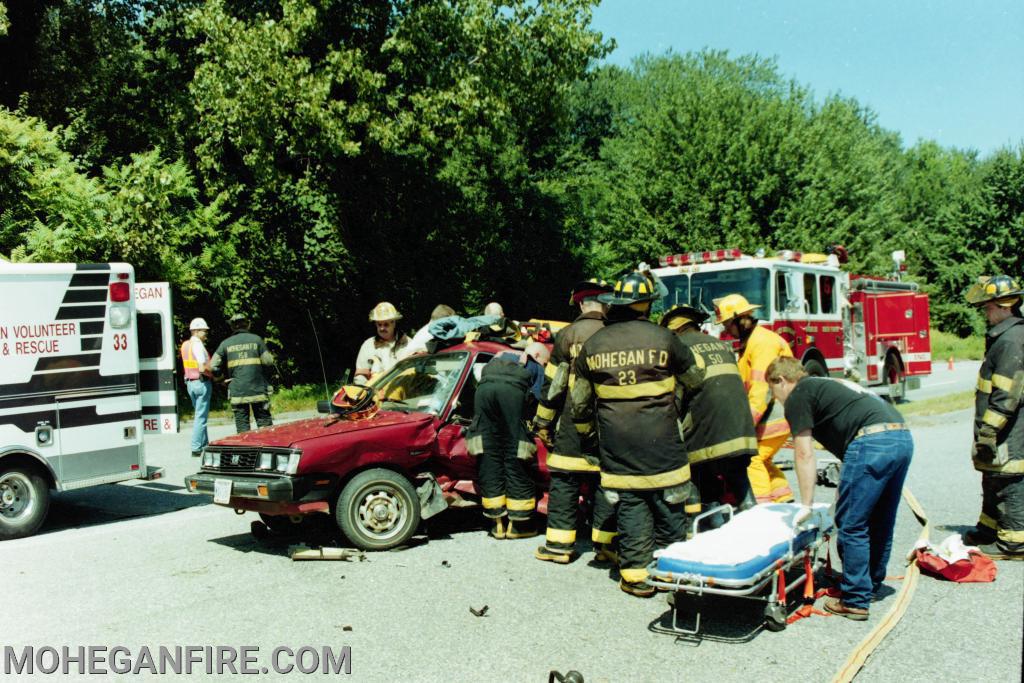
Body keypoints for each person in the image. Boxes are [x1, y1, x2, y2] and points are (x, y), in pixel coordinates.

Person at [571, 272, 702, 597]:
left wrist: (589, 437)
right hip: (664, 446)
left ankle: (636, 577)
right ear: (647, 304)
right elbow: (696, 379)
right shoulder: (665, 338)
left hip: (618, 447)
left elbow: (580, 403)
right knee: (670, 507)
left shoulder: (595, 344)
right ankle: (675, 576)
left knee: (631, 507)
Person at [767, 356, 914, 620]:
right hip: (901, 435)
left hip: (870, 440)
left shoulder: (798, 395)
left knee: (852, 524)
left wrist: (807, 505)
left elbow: (803, 453)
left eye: (773, 390)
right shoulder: (826, 383)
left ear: (781, 380)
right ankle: (869, 585)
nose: (775, 397)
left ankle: (855, 599)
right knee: (880, 518)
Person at [533, 279, 619, 564]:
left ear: (581, 304)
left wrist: (543, 422)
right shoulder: (615, 333)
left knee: (565, 481)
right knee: (606, 482)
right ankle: (606, 546)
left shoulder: (567, 335)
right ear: (605, 303)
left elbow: (554, 386)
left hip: (571, 424)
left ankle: (559, 547)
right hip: (608, 423)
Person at [661, 305, 758, 518]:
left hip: (705, 434)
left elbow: (675, 397)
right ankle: (754, 524)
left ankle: (711, 528)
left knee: (705, 488)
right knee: (740, 482)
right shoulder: (721, 345)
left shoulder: (678, 348)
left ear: (673, 329)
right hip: (741, 431)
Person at [961, 275, 1024, 559]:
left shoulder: (1012, 340)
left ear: (1005, 305)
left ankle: (1014, 543)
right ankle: (988, 530)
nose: (985, 313)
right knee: (992, 476)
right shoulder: (1004, 336)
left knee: (1010, 479)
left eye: (988, 307)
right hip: (999, 427)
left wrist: (989, 429)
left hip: (1009, 429)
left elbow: (1008, 393)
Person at [715, 293, 795, 503]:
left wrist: (746, 423)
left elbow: (762, 389)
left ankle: (761, 509)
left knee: (753, 458)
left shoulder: (761, 342)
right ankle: (783, 498)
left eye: (727, 324)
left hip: (774, 415)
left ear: (740, 320)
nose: (725, 330)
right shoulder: (752, 342)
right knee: (765, 459)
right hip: (774, 414)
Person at [466, 342, 550, 540]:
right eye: (545, 362)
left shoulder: (499, 356)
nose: (544, 366)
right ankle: (517, 526)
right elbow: (538, 398)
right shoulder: (534, 365)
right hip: (511, 394)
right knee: (516, 454)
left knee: (489, 454)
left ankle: (497, 525)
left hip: (484, 392)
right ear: (537, 354)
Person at [211, 313, 275, 433]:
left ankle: (245, 451)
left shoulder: (225, 343)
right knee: (265, 425)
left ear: (232, 327)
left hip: (237, 393)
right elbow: (269, 362)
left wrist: (221, 380)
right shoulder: (256, 340)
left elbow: (213, 366)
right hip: (258, 391)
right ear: (248, 325)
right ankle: (266, 450)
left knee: (242, 428)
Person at [354, 302, 411, 385]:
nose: (382, 328)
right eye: (379, 324)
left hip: (404, 393)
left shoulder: (408, 343)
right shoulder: (368, 345)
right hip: (375, 394)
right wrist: (363, 394)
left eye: (386, 324)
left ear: (394, 323)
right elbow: (361, 376)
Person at [181, 317, 213, 456]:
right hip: (201, 383)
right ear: (196, 331)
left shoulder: (185, 345)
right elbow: (201, 367)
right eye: (204, 331)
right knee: (200, 418)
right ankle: (196, 448)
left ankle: (205, 445)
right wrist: (214, 377)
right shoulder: (198, 345)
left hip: (190, 383)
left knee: (200, 415)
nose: (206, 333)